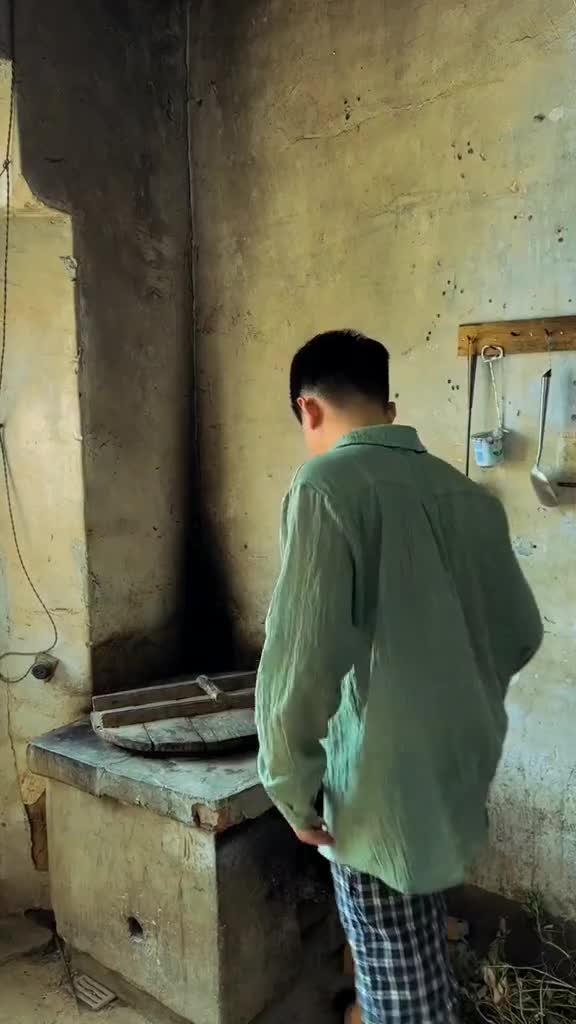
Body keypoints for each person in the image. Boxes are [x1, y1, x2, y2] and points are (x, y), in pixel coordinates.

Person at [255, 329, 542, 1024]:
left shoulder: (325, 484)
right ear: (389, 408)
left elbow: (300, 662)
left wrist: (290, 787)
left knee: (395, 982)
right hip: (455, 769)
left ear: (308, 409)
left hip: (377, 789)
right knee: (418, 949)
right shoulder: (469, 497)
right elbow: (520, 633)